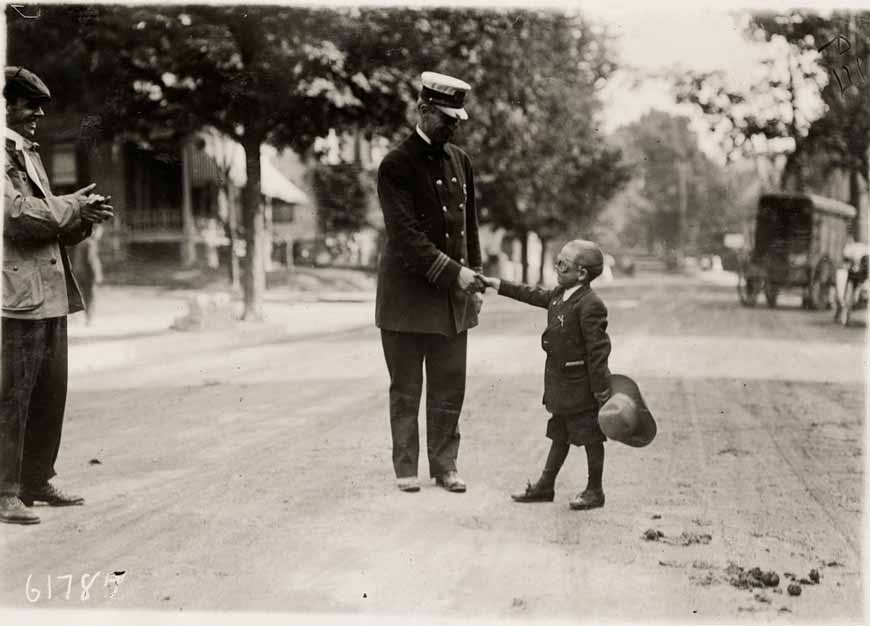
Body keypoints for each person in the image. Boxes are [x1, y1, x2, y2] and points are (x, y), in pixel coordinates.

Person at [1, 66, 114, 525]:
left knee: (50, 391)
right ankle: (5, 489)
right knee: (12, 396)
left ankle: (35, 480)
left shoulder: (26, 152)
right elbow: (13, 215)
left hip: (47, 293)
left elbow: (45, 219)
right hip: (15, 295)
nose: (38, 112)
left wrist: (84, 217)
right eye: (29, 103)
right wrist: (72, 207)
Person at [376, 71, 484, 493]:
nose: (453, 127)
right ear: (422, 111)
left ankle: (446, 466)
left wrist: (472, 279)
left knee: (449, 387)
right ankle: (406, 468)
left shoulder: (461, 161)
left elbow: (468, 229)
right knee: (406, 389)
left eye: (457, 120)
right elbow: (406, 238)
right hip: (405, 299)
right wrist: (456, 273)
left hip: (451, 299)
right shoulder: (395, 165)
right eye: (445, 118)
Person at [478, 240, 613, 510]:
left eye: (563, 264)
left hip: (582, 387)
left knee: (591, 436)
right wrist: (497, 284)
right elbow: (530, 293)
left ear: (582, 273)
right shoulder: (559, 295)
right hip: (561, 385)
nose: (556, 267)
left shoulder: (590, 304)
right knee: (560, 434)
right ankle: (545, 485)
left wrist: (601, 391)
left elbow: (598, 351)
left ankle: (595, 490)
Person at [71, 222, 104, 325]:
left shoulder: (81, 242)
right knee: (90, 296)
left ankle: (80, 317)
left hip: (77, 271)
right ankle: (89, 318)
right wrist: (97, 275)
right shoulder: (91, 243)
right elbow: (92, 260)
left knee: (82, 295)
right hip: (87, 273)